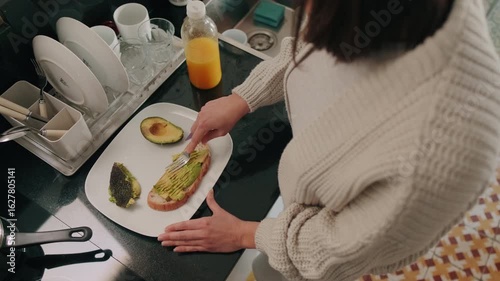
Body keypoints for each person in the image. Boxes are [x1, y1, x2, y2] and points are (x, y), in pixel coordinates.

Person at [158, 0, 500, 280]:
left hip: (312, 246)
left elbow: (335, 248)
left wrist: (245, 234)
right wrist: (243, 98)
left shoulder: (452, 143)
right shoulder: (349, 12)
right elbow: (311, 44)